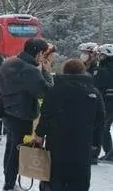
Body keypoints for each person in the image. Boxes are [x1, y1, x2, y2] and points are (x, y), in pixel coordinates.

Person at [34, 59, 105, 190]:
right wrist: (96, 143)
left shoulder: (54, 91)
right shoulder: (94, 93)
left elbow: (45, 115)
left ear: (64, 71)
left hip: (57, 144)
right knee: (80, 180)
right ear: (83, 72)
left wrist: (39, 135)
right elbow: (100, 121)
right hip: (82, 145)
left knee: (55, 178)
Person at [0, 38, 54, 191]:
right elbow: (46, 92)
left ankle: (8, 180)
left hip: (8, 112)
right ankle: (9, 185)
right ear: (39, 53)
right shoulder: (28, 70)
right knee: (18, 151)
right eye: (44, 54)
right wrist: (47, 73)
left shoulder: (8, 63)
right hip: (23, 115)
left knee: (10, 148)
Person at [94, 43, 113, 163]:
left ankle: (109, 153)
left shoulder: (102, 70)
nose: (98, 56)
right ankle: (109, 153)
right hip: (108, 102)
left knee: (103, 129)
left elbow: (98, 86)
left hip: (107, 104)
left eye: (101, 54)